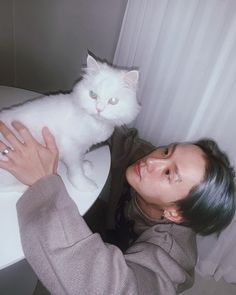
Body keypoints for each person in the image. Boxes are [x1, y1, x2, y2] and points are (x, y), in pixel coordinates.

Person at [0, 121, 235, 295]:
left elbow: (113, 289)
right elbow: (110, 130)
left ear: (175, 213)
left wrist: (43, 184)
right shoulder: (143, 159)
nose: (152, 161)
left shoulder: (173, 254)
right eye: (167, 151)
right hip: (109, 237)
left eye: (168, 173)